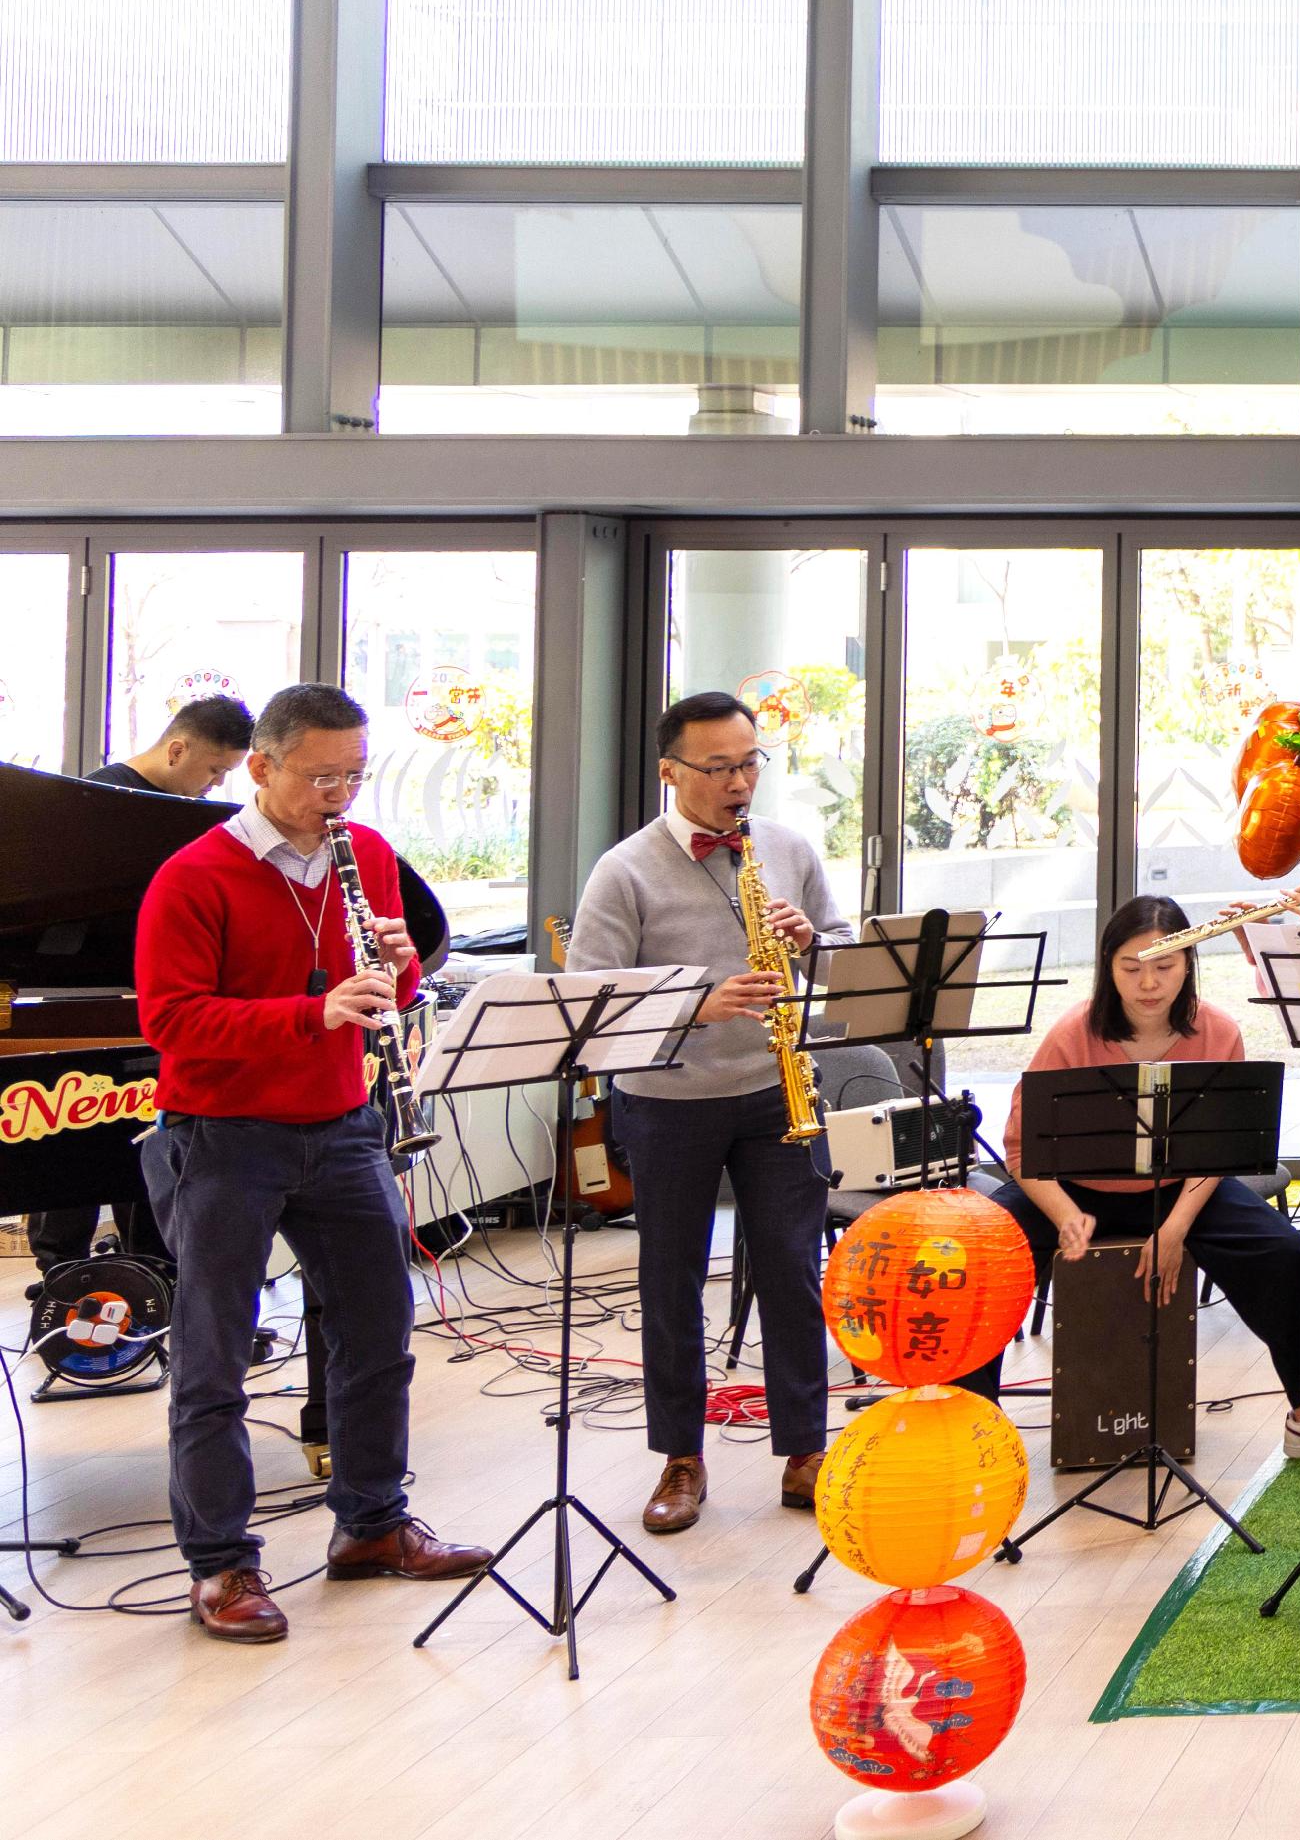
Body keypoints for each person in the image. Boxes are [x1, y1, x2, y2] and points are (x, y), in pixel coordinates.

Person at [134, 682, 490, 1642]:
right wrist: (312, 1011)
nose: (340, 794)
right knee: (213, 1354)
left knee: (378, 1333)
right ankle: (222, 1565)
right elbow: (168, 1021)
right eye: (320, 775)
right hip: (223, 1133)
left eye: (354, 775)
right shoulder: (193, 875)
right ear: (261, 767)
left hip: (342, 1127)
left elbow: (390, 985)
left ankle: (371, 1524)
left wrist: (402, 964)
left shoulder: (364, 854)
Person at [569, 691, 840, 1537]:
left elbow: (841, 957)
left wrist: (811, 944)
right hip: (668, 1102)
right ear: (670, 771)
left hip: (777, 1089)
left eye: (750, 762)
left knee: (793, 1270)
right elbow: (590, 1004)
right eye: (718, 767)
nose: (738, 782)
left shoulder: (787, 847)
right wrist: (699, 1003)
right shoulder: (625, 868)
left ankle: (805, 1447)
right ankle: (681, 1457)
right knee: (672, 1279)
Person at [954, 895, 1300, 1462]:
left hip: (1180, 1187)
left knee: (1284, 1251)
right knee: (987, 1259)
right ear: (1108, 967)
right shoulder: (1072, 1033)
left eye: (1164, 966)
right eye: (1130, 968)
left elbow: (1216, 1153)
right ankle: (971, 1426)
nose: (1148, 984)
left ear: (1188, 964)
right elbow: (1022, 1149)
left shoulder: (1218, 1031)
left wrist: (1179, 1224)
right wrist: (1066, 1215)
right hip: (1073, 1192)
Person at [36, 695, 261, 1270]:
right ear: (177, 748)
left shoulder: (181, 813)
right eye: (212, 770)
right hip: (87, 998)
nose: (214, 786)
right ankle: (63, 1271)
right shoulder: (104, 801)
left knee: (139, 1146)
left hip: (152, 998)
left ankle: (149, 1275)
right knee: (74, 1146)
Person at [89, 694, 253, 797]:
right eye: (216, 770)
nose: (219, 782)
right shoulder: (100, 794)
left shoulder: (196, 806)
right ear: (177, 752)